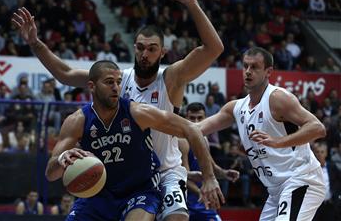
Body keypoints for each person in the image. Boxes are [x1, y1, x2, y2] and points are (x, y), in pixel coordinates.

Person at [12, 0, 224, 220]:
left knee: (176, 217)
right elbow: (66, 74)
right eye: (140, 47)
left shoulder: (171, 78)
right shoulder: (116, 80)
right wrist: (35, 43)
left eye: (152, 49)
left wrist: (192, 4)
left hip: (164, 170)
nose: (145, 54)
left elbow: (214, 49)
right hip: (120, 172)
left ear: (162, 52)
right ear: (134, 47)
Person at [45, 61, 222, 221]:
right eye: (109, 82)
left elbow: (191, 129)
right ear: (91, 86)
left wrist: (209, 177)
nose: (116, 87)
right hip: (97, 195)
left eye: (118, 82)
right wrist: (62, 159)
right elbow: (50, 173)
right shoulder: (77, 121)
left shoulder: (136, 112)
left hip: (139, 192)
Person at [199, 47, 327, 221]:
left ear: (268, 72)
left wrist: (278, 142)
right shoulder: (236, 108)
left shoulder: (278, 98)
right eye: (245, 66)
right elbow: (195, 129)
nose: (248, 72)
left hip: (301, 178)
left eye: (255, 67)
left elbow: (318, 128)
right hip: (275, 190)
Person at [178, 102, 239, 221]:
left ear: (205, 118)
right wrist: (201, 192)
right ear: (186, 118)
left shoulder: (204, 139)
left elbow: (211, 166)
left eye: (199, 118)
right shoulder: (182, 141)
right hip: (187, 201)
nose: (196, 122)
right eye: (192, 118)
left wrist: (224, 173)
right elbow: (183, 176)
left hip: (204, 198)